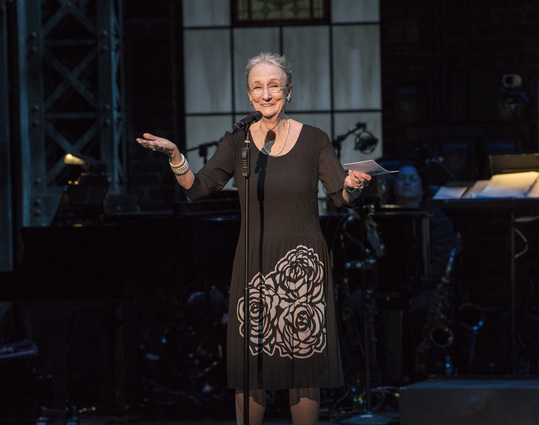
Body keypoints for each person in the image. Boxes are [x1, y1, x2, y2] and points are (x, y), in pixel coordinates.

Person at [137, 52, 371, 425]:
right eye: (257, 87)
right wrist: (175, 156)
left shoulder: (314, 140)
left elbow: (338, 196)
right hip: (253, 262)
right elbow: (198, 189)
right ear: (249, 96)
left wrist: (353, 187)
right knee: (251, 367)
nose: (266, 94)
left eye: (274, 86)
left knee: (303, 368)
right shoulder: (237, 141)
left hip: (303, 263)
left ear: (288, 92)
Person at [387, 162, 459, 381]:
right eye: (401, 178)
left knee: (420, 307)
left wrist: (415, 287)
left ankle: (416, 371)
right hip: (390, 287)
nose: (406, 182)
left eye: (413, 179)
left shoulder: (437, 220)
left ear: (422, 187)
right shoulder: (384, 217)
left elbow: (439, 265)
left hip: (425, 288)